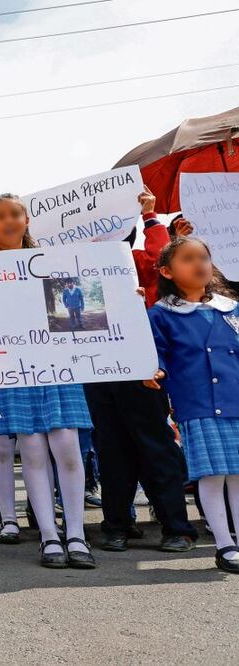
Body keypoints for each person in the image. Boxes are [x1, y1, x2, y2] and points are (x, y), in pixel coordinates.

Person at [0, 193, 95, 570]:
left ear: (26, 220)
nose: (9, 221)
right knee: (30, 450)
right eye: (0, 216)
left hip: (58, 366)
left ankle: (75, 532)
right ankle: (48, 536)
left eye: (15, 214)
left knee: (68, 447)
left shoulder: (53, 264)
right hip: (13, 369)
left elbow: (78, 312)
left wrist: (119, 300)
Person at [86, 189, 198, 553]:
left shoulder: (138, 261)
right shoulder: (73, 267)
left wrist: (151, 217)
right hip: (98, 369)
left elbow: (157, 257)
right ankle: (117, 524)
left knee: (155, 446)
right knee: (112, 448)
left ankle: (176, 527)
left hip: (141, 369)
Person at [145, 236, 239, 574]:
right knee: (212, 476)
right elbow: (158, 351)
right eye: (188, 258)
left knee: (238, 476)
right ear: (168, 271)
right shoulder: (163, 314)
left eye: (204, 257)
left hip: (235, 401)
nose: (199, 264)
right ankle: (225, 546)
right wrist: (155, 368)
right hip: (198, 405)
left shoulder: (231, 308)